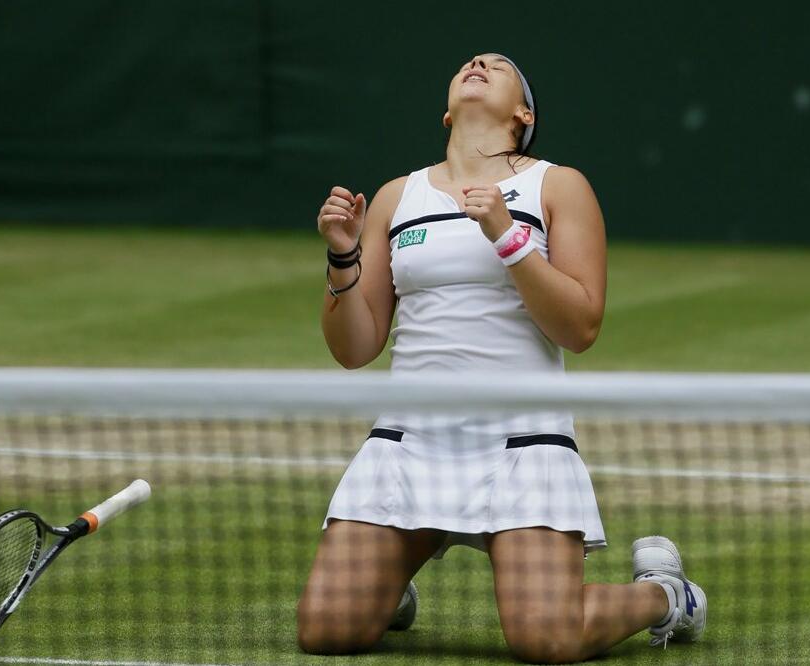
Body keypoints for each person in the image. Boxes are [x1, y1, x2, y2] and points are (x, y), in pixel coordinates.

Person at [297, 53, 706, 663]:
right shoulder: (394, 197)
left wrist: (507, 237)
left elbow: (580, 326)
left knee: (547, 639)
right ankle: (385, 588)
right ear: (446, 112)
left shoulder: (557, 186)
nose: (479, 63)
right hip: (410, 444)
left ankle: (666, 595)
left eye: (498, 66)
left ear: (523, 114)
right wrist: (342, 259)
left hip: (523, 444)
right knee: (326, 631)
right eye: (470, 62)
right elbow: (354, 349)